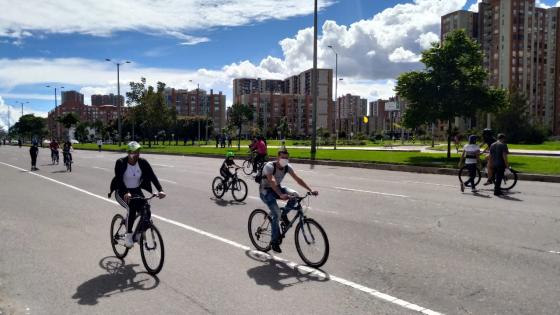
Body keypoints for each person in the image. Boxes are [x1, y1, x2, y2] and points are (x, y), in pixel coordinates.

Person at [108, 141, 166, 248]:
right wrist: (126, 192)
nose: (136, 154)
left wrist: (160, 190)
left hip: (136, 190)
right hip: (121, 191)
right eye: (134, 152)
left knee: (146, 211)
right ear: (128, 152)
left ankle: (138, 233)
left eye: (138, 152)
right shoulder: (120, 162)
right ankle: (129, 236)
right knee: (132, 208)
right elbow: (119, 180)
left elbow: (152, 176)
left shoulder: (143, 162)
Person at [259, 149, 318, 253]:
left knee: (295, 195)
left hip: (277, 188)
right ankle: (274, 242)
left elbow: (297, 179)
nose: (285, 160)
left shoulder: (287, 167)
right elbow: (272, 181)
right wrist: (280, 194)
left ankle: (284, 214)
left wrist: (310, 190)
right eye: (282, 157)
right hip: (266, 191)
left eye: (286, 158)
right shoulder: (269, 166)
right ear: (277, 157)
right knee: (276, 214)